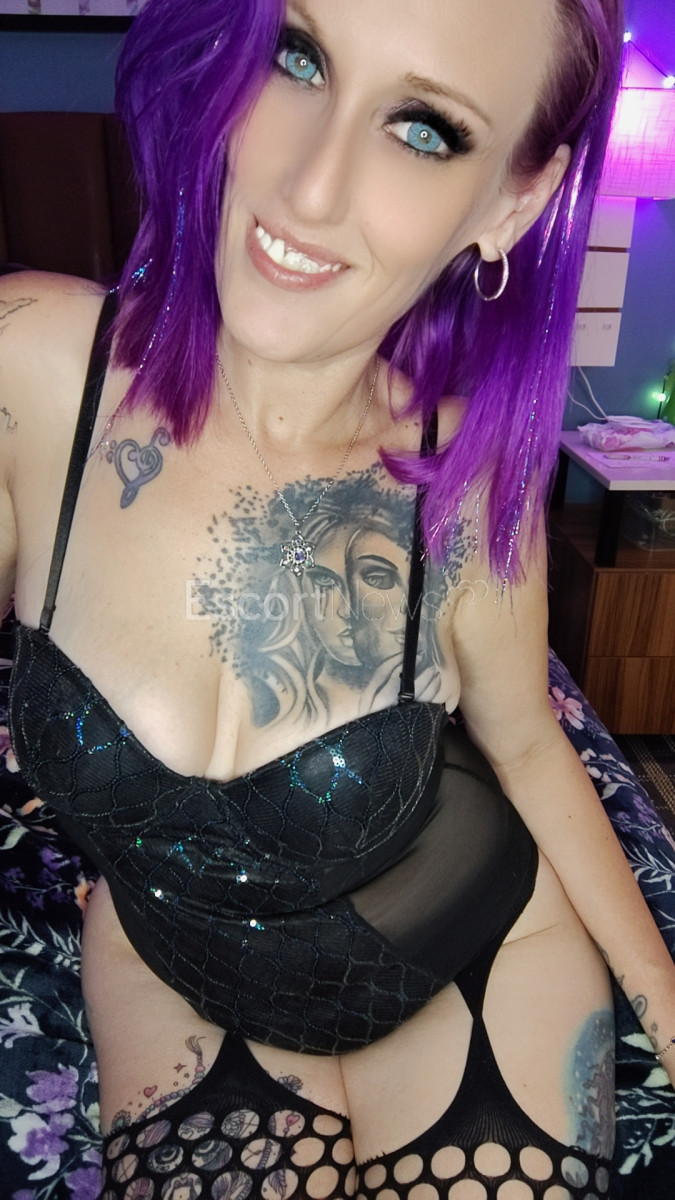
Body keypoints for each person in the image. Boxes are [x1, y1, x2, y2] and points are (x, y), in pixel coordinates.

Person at [0, 1, 673, 1198]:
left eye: (424, 129)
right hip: (170, 959)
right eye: (299, 56)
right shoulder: (30, 368)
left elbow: (526, 741)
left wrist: (667, 1000)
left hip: (471, 946)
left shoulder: (466, 478)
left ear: (512, 202)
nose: (310, 187)